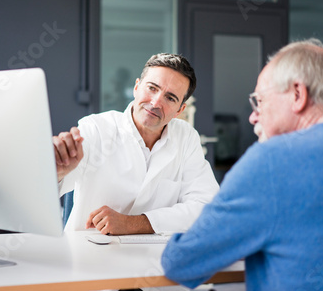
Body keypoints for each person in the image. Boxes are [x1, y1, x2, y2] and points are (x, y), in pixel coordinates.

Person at [161, 39, 323, 290]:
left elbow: (181, 262)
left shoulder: (271, 161)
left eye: (259, 101)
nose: (253, 116)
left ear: (298, 94)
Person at [53, 53, 219, 235]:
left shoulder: (186, 137)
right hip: (90, 253)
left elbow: (206, 207)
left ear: (180, 110)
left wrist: (133, 223)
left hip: (153, 258)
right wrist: (59, 171)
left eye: (170, 98)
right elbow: (49, 188)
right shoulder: (95, 128)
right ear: (137, 87)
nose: (156, 103)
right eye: (152, 88)